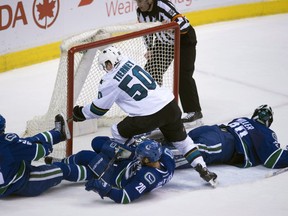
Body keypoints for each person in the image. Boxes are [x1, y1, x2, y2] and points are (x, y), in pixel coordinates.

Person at [72, 46, 217, 186]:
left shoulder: (109, 80)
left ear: (109, 63)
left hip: (149, 115)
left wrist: (80, 113)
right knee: (183, 142)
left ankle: (126, 162)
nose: (106, 68)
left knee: (117, 130)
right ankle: (203, 169)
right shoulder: (129, 61)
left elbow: (98, 109)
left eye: (107, 65)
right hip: (170, 105)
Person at [46, 136, 175, 204]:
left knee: (84, 157)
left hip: (113, 174)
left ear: (147, 160)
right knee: (97, 142)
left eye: (141, 155)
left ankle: (58, 165)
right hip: (125, 161)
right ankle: (61, 164)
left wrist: (104, 189)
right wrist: (131, 153)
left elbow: (125, 197)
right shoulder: (166, 158)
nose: (139, 156)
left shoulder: (147, 177)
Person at [135, 0, 202, 123]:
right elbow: (146, 31)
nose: (138, 5)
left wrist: (173, 26)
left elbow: (184, 22)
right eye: (137, 1)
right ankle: (154, 109)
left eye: (140, 1)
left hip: (183, 40)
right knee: (150, 73)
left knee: (183, 76)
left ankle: (194, 112)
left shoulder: (163, 6)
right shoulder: (140, 12)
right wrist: (150, 48)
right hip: (164, 43)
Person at [165, 105, 288, 169]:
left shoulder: (243, 119)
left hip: (212, 129)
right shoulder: (267, 133)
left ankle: (151, 146)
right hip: (225, 142)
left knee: (180, 141)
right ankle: (158, 157)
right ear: (269, 121)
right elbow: (273, 159)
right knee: (191, 151)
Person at [0, 114, 93, 198]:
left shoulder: (9, 146)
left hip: (11, 171)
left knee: (29, 142)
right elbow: (39, 152)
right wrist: (46, 147)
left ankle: (59, 133)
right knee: (62, 169)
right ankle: (93, 173)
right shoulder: (8, 145)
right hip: (25, 181)